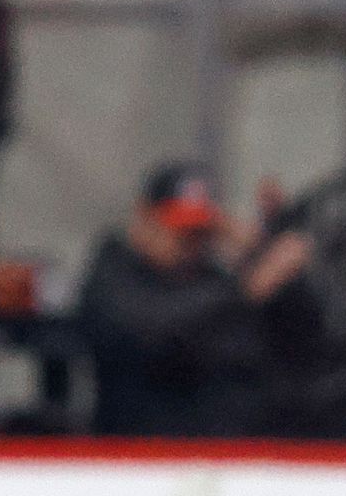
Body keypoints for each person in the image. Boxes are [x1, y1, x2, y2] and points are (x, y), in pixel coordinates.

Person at [75, 166, 332, 438]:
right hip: (138, 460)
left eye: (199, 231)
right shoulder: (115, 275)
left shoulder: (212, 280)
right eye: (178, 229)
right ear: (144, 217)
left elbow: (295, 347)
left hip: (228, 458)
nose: (190, 242)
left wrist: (263, 253)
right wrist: (248, 287)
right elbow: (158, 329)